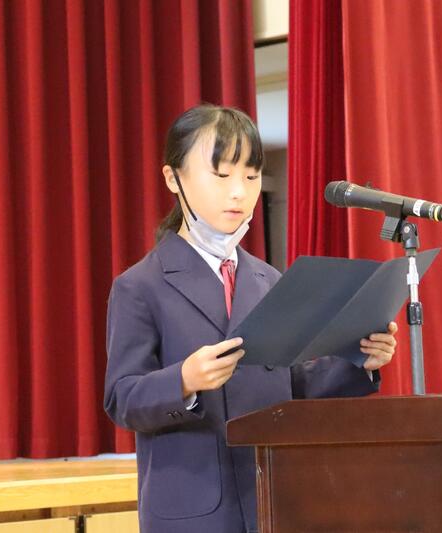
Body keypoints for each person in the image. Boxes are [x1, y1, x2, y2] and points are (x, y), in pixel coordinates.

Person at [103, 104, 398, 533]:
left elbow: (291, 383)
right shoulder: (140, 285)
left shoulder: (267, 279)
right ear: (173, 178)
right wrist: (184, 379)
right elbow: (122, 398)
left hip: (271, 499)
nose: (239, 193)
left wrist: (359, 361)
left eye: (251, 176)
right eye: (221, 175)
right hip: (193, 510)